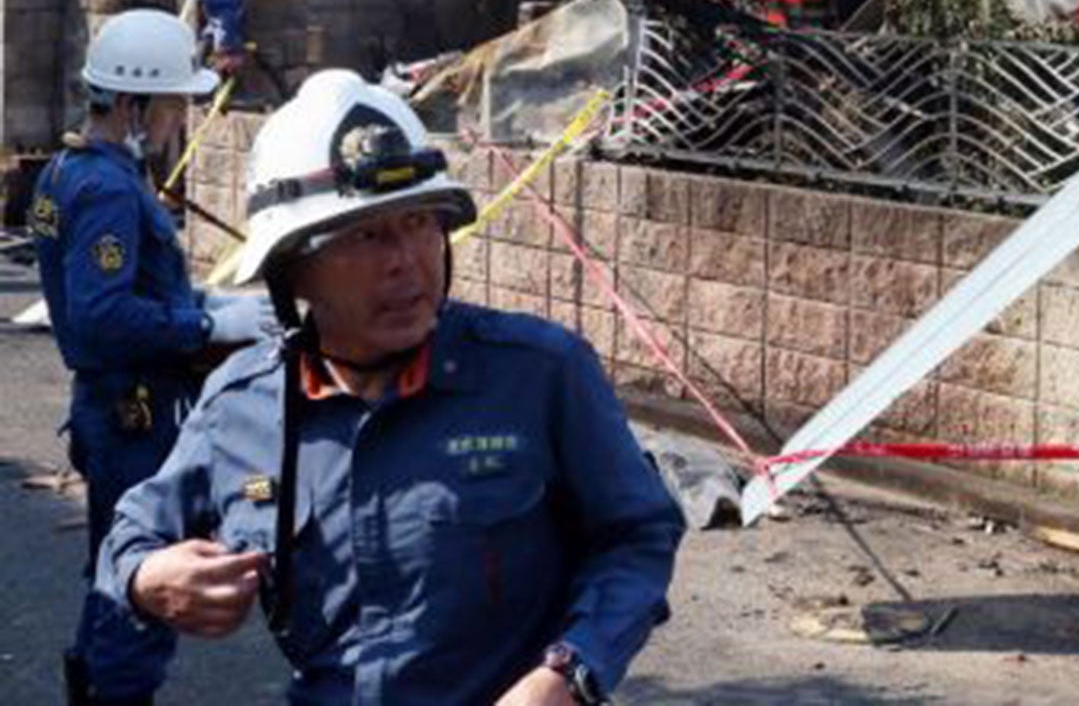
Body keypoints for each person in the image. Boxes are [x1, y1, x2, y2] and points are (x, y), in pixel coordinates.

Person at [98, 71, 684, 706]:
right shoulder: (240, 404)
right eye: (366, 235)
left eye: (419, 223)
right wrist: (148, 577)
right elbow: (131, 533)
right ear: (293, 270)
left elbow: (638, 536)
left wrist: (569, 674)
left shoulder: (540, 373)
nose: (406, 259)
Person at [30, 9, 271, 706]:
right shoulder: (107, 189)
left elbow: (125, 287)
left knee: (114, 557)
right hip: (132, 408)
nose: (180, 120)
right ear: (133, 104)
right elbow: (102, 315)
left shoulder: (68, 170)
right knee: (145, 565)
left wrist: (204, 302)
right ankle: (116, 688)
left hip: (110, 405)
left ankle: (96, 677)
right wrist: (204, 324)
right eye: (173, 105)